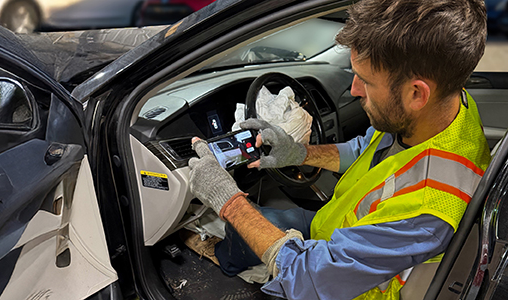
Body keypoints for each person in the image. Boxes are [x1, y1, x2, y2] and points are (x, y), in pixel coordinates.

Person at [186, 0, 491, 299]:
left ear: (416, 93)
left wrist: (227, 201)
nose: (354, 89)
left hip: (347, 286)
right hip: (336, 230)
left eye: (366, 81)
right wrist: (299, 154)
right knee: (251, 227)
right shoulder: (450, 106)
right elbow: (369, 149)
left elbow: (306, 280)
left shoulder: (426, 210)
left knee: (244, 218)